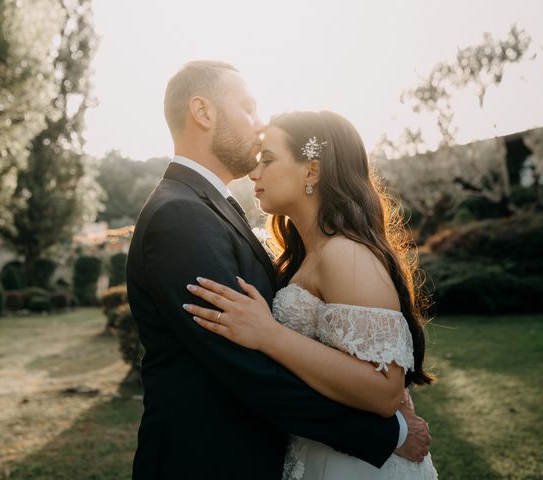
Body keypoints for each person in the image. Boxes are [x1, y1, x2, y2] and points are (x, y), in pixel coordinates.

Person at [126, 61, 430, 480]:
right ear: (203, 112)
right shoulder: (181, 214)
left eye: (269, 159)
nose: (258, 122)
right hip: (206, 463)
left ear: (311, 170)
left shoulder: (203, 208)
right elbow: (245, 368)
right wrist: (386, 434)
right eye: (248, 107)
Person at [183, 109, 438, 479]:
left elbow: (385, 391)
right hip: (317, 452)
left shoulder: (345, 255)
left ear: (312, 171)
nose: (254, 174)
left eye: (267, 160)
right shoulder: (307, 255)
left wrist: (269, 335)